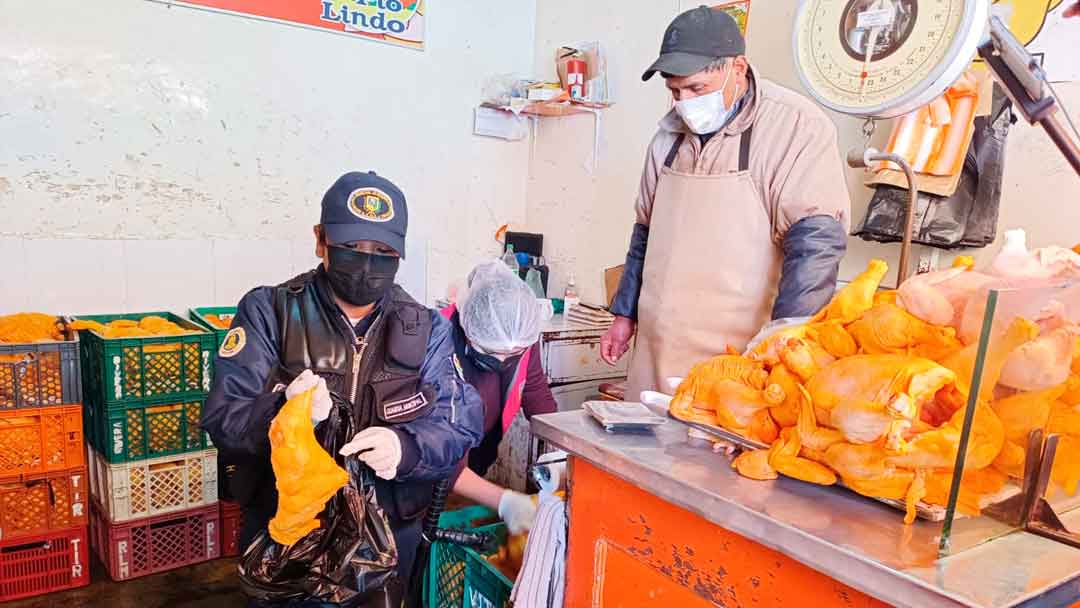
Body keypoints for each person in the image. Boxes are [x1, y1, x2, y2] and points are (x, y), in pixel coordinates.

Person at [201, 171, 484, 604]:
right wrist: (283, 412)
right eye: (351, 248)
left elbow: (459, 422)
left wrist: (406, 447)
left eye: (383, 252)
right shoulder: (269, 312)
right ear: (320, 240)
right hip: (292, 533)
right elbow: (224, 417)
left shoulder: (424, 327)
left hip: (386, 538)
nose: (367, 263)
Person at [601, 7, 852, 399]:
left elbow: (815, 249)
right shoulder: (668, 137)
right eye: (675, 91)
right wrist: (624, 313)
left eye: (697, 89)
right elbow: (645, 233)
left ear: (738, 68)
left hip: (736, 365)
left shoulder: (795, 128)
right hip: (654, 355)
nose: (683, 103)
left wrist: (785, 349)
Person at [442, 261, 558, 534]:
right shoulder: (438, 342)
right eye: (490, 352)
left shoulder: (520, 334)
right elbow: (438, 457)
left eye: (513, 353)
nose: (503, 360)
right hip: (430, 477)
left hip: (478, 462)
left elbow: (536, 392)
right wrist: (503, 500)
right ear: (468, 325)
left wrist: (563, 451)